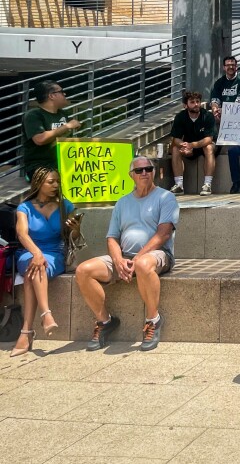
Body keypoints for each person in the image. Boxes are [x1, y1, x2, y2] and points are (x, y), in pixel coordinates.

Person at [75, 156, 179, 352]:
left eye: (148, 169)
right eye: (139, 171)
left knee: (142, 265)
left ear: (154, 172)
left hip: (157, 255)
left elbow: (164, 233)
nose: (144, 173)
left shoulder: (166, 197)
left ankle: (153, 320)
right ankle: (105, 321)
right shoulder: (122, 202)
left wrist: (138, 257)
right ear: (131, 175)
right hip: (125, 256)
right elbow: (112, 238)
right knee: (83, 270)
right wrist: (118, 260)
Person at [10, 168, 80, 356]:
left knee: (31, 274)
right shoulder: (24, 207)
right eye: (51, 182)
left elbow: (72, 238)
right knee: (36, 262)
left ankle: (26, 332)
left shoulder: (66, 205)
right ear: (39, 183)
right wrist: (36, 252)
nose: (56, 185)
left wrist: (76, 229)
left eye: (57, 181)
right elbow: (22, 234)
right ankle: (46, 314)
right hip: (29, 251)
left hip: (55, 253)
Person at [21, 81, 80, 178]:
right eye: (61, 91)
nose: (64, 94)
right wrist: (67, 126)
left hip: (63, 163)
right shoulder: (33, 115)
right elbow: (40, 139)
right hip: (41, 166)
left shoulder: (62, 114)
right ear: (52, 96)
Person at [169, 91, 216, 196]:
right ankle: (179, 185)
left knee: (208, 147)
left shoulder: (207, 116)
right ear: (185, 105)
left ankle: (207, 185)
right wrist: (184, 145)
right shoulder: (180, 117)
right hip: (188, 146)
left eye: (198, 102)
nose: (196, 104)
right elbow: (176, 139)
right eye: (192, 102)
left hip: (204, 146)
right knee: (175, 148)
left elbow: (209, 139)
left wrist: (192, 145)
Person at [209, 56, 240, 126]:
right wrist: (215, 111)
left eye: (233, 65)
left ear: (236, 67)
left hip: (238, 115)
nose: (231, 67)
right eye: (228, 65)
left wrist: (224, 111)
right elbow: (215, 100)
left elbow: (239, 101)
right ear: (224, 67)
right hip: (221, 114)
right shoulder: (219, 82)